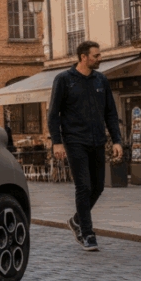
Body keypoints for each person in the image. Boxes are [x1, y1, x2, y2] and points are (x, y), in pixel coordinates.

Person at [47, 40, 123, 252]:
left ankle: (76, 220)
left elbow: (111, 113)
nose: (100, 58)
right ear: (83, 57)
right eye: (96, 55)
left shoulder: (101, 80)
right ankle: (87, 233)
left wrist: (117, 140)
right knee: (84, 187)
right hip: (74, 141)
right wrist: (57, 142)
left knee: (98, 187)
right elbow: (53, 114)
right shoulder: (64, 79)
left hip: (98, 140)